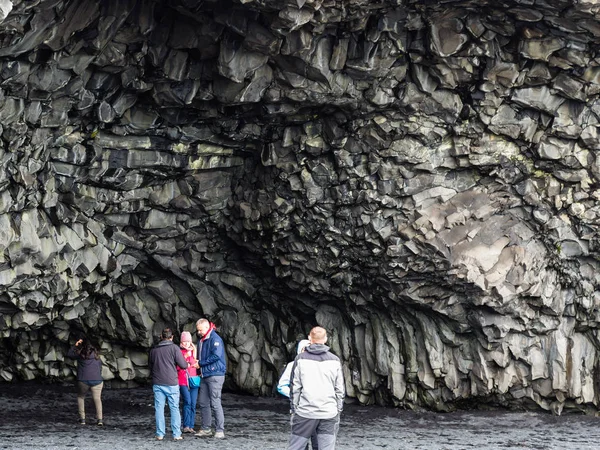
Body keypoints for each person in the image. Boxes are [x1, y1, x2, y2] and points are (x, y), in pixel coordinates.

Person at [288, 327, 345, 450]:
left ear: (309, 338)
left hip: (305, 412)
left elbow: (295, 388)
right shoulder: (335, 360)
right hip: (329, 413)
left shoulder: (300, 359)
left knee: (296, 447)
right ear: (325, 339)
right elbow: (339, 390)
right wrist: (338, 410)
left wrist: (294, 409)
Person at [149, 328, 189, 441]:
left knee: (159, 408)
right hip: (172, 382)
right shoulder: (174, 348)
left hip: (158, 382)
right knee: (174, 408)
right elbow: (183, 365)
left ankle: (160, 434)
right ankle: (176, 434)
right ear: (171, 337)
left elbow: (150, 367)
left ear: (161, 337)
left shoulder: (153, 350)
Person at [278, 339, 318, 450]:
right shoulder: (292, 365)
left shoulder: (318, 365)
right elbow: (281, 386)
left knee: (318, 442)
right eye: (305, 348)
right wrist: (295, 395)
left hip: (317, 410)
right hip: (299, 409)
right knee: (301, 443)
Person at [194, 318, 226, 439]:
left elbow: (216, 356)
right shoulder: (202, 339)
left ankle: (219, 430)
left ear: (207, 328)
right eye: (198, 330)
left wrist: (200, 364)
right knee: (203, 402)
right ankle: (206, 428)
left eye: (200, 330)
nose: (199, 332)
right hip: (205, 375)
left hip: (215, 374)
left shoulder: (215, 339)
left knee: (215, 402)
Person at [67, 337, 104, 426]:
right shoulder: (97, 355)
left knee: (81, 397)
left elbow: (69, 354)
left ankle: (82, 419)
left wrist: (76, 345)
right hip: (97, 380)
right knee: (97, 399)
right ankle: (100, 420)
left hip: (83, 380)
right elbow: (100, 368)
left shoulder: (80, 355)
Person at [178, 331, 199, 433]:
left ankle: (191, 425)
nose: (186, 343)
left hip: (193, 379)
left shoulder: (194, 351)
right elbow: (179, 365)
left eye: (188, 341)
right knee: (187, 401)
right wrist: (189, 358)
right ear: (181, 342)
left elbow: (194, 363)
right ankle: (186, 425)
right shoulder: (179, 352)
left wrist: (190, 357)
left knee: (193, 403)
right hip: (183, 381)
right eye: (184, 341)